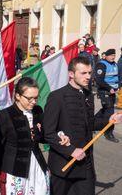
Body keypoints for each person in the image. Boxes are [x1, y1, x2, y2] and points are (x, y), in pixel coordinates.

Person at [42, 56, 122, 195]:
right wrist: (71, 150)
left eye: (90, 73)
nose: (88, 77)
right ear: (71, 74)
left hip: (86, 166)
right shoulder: (56, 97)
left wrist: (109, 120)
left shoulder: (88, 95)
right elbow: (48, 132)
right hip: (63, 166)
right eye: (83, 73)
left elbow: (89, 124)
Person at [0, 77, 70, 195]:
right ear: (18, 96)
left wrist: (59, 135)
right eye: (30, 98)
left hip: (38, 167)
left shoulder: (38, 111)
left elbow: (46, 135)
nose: (34, 102)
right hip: (14, 170)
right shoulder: (4, 116)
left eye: (36, 98)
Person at [95, 49, 120, 142]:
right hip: (105, 92)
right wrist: (109, 88)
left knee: (105, 110)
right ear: (106, 56)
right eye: (111, 55)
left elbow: (117, 77)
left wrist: (118, 86)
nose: (113, 57)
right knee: (110, 113)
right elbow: (99, 81)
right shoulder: (101, 65)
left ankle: (92, 122)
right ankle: (108, 133)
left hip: (113, 92)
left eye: (114, 55)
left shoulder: (115, 64)